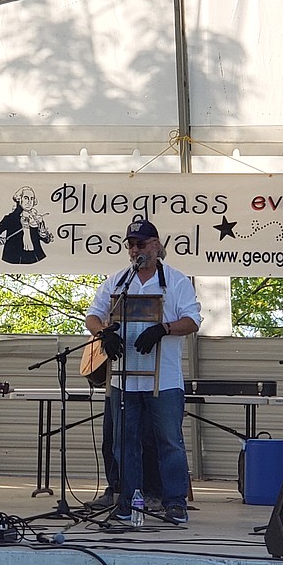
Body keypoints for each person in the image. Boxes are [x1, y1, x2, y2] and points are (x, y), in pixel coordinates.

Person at [85, 218, 201, 525]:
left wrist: (163, 328)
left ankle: (174, 502)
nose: (136, 250)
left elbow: (192, 321)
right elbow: (93, 316)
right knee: (125, 440)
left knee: (169, 441)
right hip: (124, 377)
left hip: (164, 378)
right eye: (131, 244)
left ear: (157, 245)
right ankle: (128, 500)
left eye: (142, 244)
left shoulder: (176, 281)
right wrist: (104, 334)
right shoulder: (118, 282)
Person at [0, 185, 53, 264]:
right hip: (14, 258)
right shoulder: (10, 218)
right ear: (19, 199)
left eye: (32, 199)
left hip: (36, 258)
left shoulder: (36, 218)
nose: (29, 202)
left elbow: (46, 240)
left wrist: (42, 229)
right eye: (26, 198)